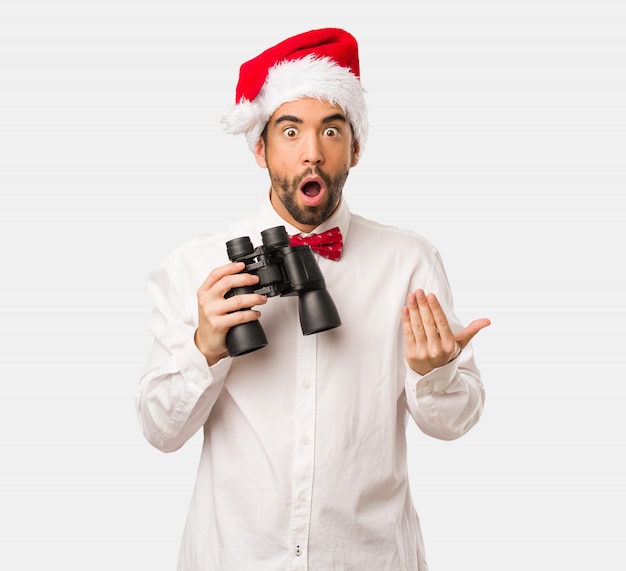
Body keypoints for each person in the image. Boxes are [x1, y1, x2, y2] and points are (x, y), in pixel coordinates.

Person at [136, 27, 491, 571]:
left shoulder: (409, 260)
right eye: (290, 130)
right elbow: (160, 432)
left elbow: (453, 423)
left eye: (331, 130)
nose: (312, 153)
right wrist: (205, 347)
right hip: (234, 557)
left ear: (355, 146)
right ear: (260, 148)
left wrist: (435, 373)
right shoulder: (192, 266)